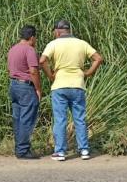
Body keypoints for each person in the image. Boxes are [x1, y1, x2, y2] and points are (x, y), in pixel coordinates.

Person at [39, 20, 102, 161]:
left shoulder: (53, 44)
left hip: (60, 85)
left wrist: (50, 75)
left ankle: (60, 152)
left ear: (57, 31)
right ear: (69, 30)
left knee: (60, 120)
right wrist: (88, 73)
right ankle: (84, 150)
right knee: (79, 119)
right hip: (78, 85)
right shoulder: (82, 43)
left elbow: (42, 61)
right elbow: (98, 58)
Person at [7, 25, 42, 159]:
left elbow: (8, 68)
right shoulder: (29, 50)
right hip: (25, 87)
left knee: (18, 119)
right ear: (32, 37)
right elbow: (33, 71)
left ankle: (18, 148)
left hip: (14, 85)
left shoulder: (13, 49)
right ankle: (23, 150)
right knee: (27, 119)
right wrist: (38, 89)